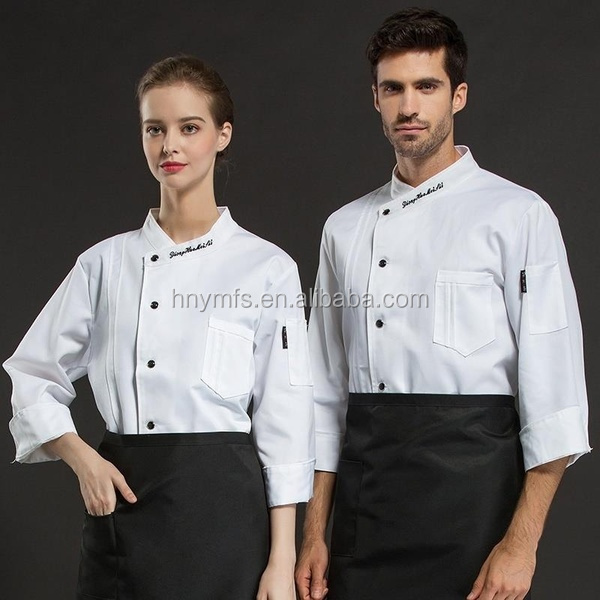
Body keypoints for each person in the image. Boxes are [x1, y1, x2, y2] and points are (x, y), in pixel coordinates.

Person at [295, 8, 590, 600]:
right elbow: (324, 395)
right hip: (364, 508)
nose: (409, 106)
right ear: (375, 99)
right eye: (393, 89)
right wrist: (313, 532)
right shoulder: (343, 229)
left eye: (426, 86)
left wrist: (521, 544)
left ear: (458, 96)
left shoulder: (518, 215)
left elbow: (555, 394)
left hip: (474, 509)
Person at [4, 55, 315, 600]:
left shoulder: (267, 268)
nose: (169, 145)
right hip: (123, 512)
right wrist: (82, 458)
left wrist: (282, 558)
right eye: (155, 129)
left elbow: (284, 417)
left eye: (189, 127)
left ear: (222, 135)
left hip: (227, 521)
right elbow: (32, 373)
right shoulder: (104, 265)